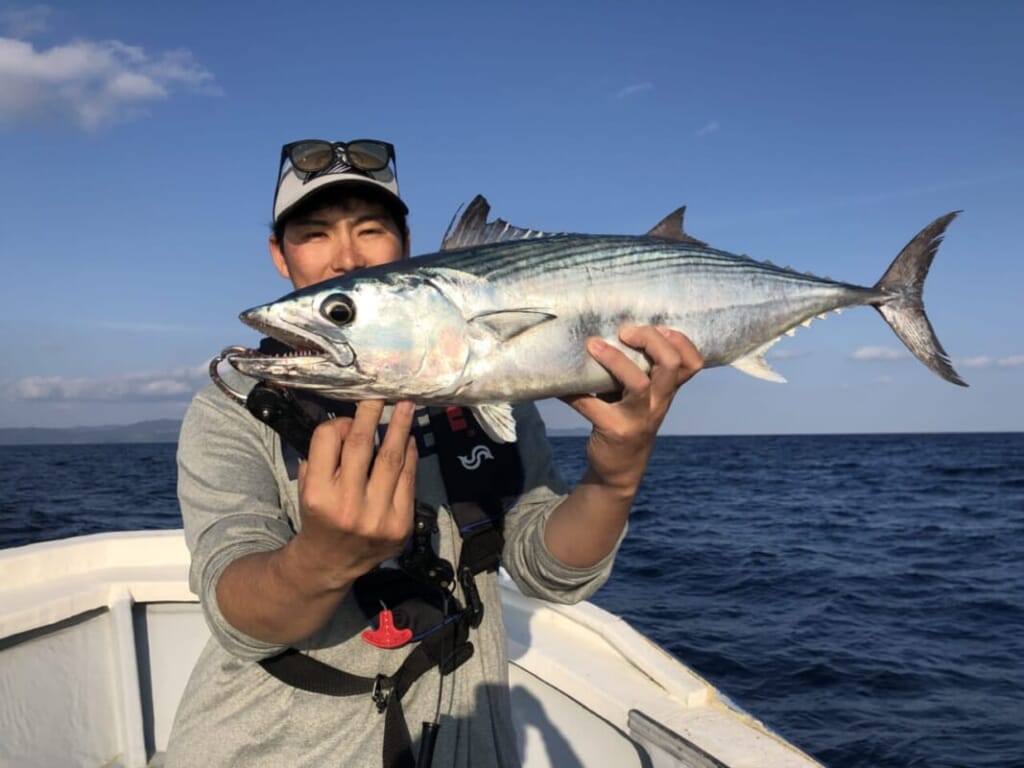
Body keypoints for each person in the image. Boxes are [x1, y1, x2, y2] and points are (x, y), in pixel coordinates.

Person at [165, 137, 703, 768]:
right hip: (270, 748)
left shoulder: (488, 388)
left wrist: (616, 474)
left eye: (371, 230)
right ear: (279, 257)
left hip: (468, 744)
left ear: (406, 246)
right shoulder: (236, 408)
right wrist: (320, 561)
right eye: (313, 234)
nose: (345, 257)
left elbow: (545, 570)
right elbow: (236, 610)